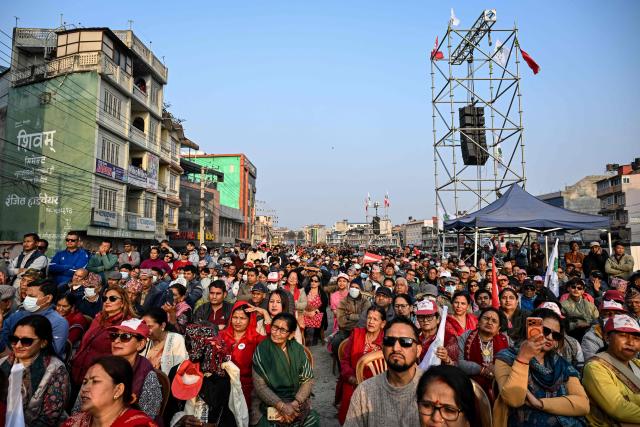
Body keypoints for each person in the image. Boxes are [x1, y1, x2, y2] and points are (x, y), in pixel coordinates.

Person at [493, 307, 590, 426]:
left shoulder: (561, 364)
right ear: (530, 328)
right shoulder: (506, 357)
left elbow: (583, 404)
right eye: (545, 331)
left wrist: (540, 403)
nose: (550, 337)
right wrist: (523, 359)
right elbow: (514, 399)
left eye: (556, 335)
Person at [344, 317, 423, 427]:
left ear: (418, 350)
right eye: (389, 341)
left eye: (405, 342)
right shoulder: (364, 391)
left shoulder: (432, 389)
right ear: (383, 346)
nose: (396, 348)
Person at [251, 312, 319, 426]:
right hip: (270, 402)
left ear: (291, 334)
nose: (276, 333)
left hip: (295, 400)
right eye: (274, 328)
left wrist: (295, 403)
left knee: (312, 421)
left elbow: (308, 380)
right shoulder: (262, 350)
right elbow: (260, 386)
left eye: (282, 330)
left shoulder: (298, 350)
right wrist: (281, 406)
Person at [1, 315, 69, 426]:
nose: (17, 345)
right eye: (14, 339)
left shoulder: (56, 370)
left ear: (43, 343)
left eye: (26, 341)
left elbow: (49, 418)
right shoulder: (4, 363)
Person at [164, 325, 237, 427]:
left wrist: (214, 425)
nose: (191, 347)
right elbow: (169, 409)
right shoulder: (178, 370)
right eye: (190, 342)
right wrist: (181, 419)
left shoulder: (224, 373)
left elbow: (230, 410)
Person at [62, 356, 157, 427]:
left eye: (95, 381)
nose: (85, 388)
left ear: (118, 390)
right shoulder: (75, 422)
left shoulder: (138, 425)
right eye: (85, 382)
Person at [71, 285, 136, 388]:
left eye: (113, 298)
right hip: (77, 373)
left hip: (99, 380)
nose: (107, 301)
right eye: (105, 298)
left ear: (122, 303)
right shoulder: (99, 318)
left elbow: (122, 358)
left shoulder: (126, 326)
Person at [582, 314, 640, 426]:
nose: (631, 343)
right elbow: (618, 409)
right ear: (607, 337)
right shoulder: (595, 367)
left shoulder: (637, 364)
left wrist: (631, 399)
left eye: (636, 338)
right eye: (623, 336)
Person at [104, 318, 162, 421]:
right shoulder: (101, 366)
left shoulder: (148, 376)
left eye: (125, 337)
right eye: (114, 335)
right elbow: (80, 406)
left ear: (140, 344)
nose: (116, 341)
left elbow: (146, 419)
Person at [337, 306, 386, 425]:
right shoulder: (357, 334)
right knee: (349, 407)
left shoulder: (386, 341)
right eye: (369, 318)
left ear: (382, 323)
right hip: (354, 380)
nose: (371, 322)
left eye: (375, 319)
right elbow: (345, 360)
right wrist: (351, 377)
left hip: (377, 385)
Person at [0, 278, 68, 357]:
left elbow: (51, 354)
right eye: (26, 295)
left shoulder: (58, 323)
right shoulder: (17, 315)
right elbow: (3, 343)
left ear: (48, 298)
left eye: (32, 296)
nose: (27, 299)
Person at [455, 307, 510, 402]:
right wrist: (481, 370)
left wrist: (497, 369)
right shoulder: (466, 336)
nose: (489, 322)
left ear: (498, 329)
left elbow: (511, 365)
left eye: (494, 321)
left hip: (499, 388)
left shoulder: (505, 340)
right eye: (486, 318)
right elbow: (459, 362)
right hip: (470, 388)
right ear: (478, 322)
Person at [221, 301, 266, 408]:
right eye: (235, 317)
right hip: (222, 387)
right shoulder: (221, 336)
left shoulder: (257, 339)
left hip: (246, 389)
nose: (238, 321)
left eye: (243, 318)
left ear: (250, 320)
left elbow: (274, 343)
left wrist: (265, 314)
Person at [582, 291, 628, 361]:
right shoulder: (591, 337)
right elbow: (591, 364)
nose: (613, 317)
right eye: (608, 314)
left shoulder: (630, 335)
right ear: (600, 317)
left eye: (617, 314)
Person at [141, 307, 188, 375]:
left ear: (162, 325)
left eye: (150, 326)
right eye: (144, 326)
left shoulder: (176, 339)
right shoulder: (144, 340)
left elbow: (180, 368)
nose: (146, 330)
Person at [333, 281, 371, 359]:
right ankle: (341, 366)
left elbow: (365, 319)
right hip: (346, 330)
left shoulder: (365, 302)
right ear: (349, 288)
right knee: (336, 343)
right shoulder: (343, 302)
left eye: (357, 288)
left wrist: (349, 316)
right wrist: (358, 319)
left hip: (361, 331)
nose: (354, 289)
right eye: (352, 287)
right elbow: (341, 321)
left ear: (360, 289)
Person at [303, 272, 327, 346]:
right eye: (312, 280)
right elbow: (301, 301)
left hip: (317, 313)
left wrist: (315, 312)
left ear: (319, 283)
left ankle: (312, 337)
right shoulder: (306, 290)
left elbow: (324, 305)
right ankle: (305, 337)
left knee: (314, 319)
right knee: (301, 319)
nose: (313, 282)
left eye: (316, 281)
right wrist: (305, 311)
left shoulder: (321, 293)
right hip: (305, 311)